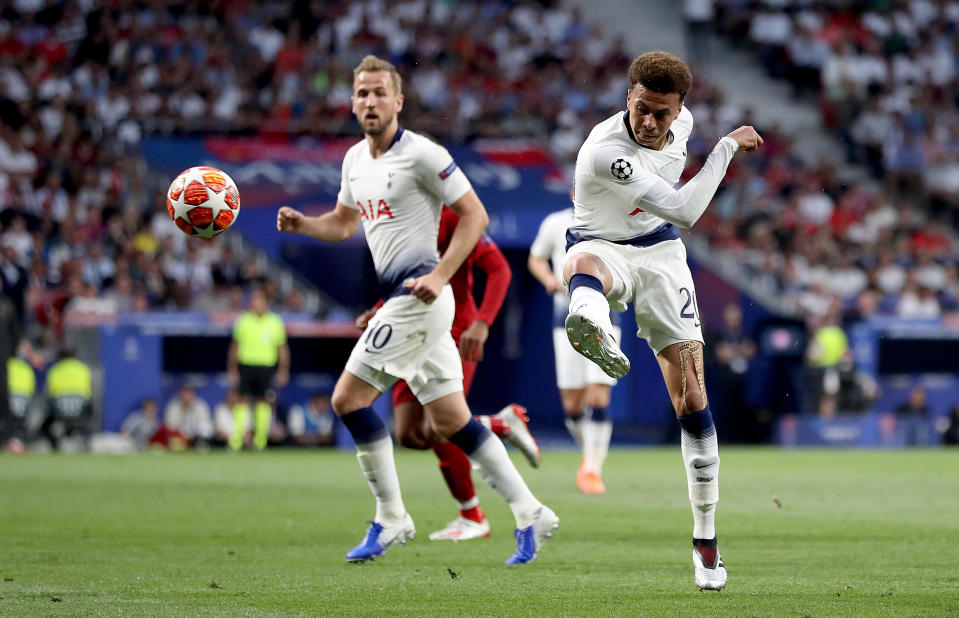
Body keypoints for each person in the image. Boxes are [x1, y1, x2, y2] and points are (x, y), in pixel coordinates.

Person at [277, 54, 558, 565]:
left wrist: (438, 274)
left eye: (380, 93)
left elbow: (476, 216)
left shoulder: (424, 154)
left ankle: (391, 518)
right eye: (362, 93)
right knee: (451, 422)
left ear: (398, 102)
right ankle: (531, 511)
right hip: (403, 301)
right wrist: (304, 226)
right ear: (352, 101)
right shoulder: (354, 162)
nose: (370, 101)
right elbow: (343, 224)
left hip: (420, 300)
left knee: (348, 400)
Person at [562, 51, 762, 590]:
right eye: (642, 109)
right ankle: (592, 322)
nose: (649, 122)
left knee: (692, 398)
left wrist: (709, 144)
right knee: (582, 267)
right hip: (601, 243)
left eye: (661, 114)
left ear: (679, 111)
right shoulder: (608, 151)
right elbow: (688, 210)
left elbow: (673, 221)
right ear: (628, 98)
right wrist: (725, 149)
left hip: (660, 257)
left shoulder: (683, 125)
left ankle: (705, 541)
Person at [358, 205, 541, 543]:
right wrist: (381, 310)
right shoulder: (397, 213)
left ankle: (472, 515)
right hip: (410, 329)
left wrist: (482, 323)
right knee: (410, 435)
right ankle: (501, 424)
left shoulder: (454, 213)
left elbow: (499, 270)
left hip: (454, 330)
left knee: (440, 429)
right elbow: (406, 277)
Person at [528, 204, 618, 494]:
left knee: (598, 393)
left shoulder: (610, 220)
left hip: (604, 315)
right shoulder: (555, 222)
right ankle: (590, 456)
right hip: (564, 317)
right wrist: (548, 279)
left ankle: (593, 469)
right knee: (572, 404)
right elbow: (536, 258)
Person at [227, 287, 290, 451]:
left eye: (260, 300)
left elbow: (282, 348)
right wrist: (232, 368)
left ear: (266, 303)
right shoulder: (243, 320)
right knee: (241, 400)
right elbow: (235, 345)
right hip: (246, 366)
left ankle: (260, 441)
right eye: (254, 300)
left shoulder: (275, 322)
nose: (257, 304)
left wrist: (283, 369)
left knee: (264, 401)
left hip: (266, 367)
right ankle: (237, 440)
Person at [41, 348, 94, 451]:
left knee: (44, 427)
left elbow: (47, 392)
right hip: (80, 413)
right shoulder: (83, 369)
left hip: (59, 413)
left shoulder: (55, 370)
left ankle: (55, 447)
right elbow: (91, 391)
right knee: (88, 415)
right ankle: (85, 444)